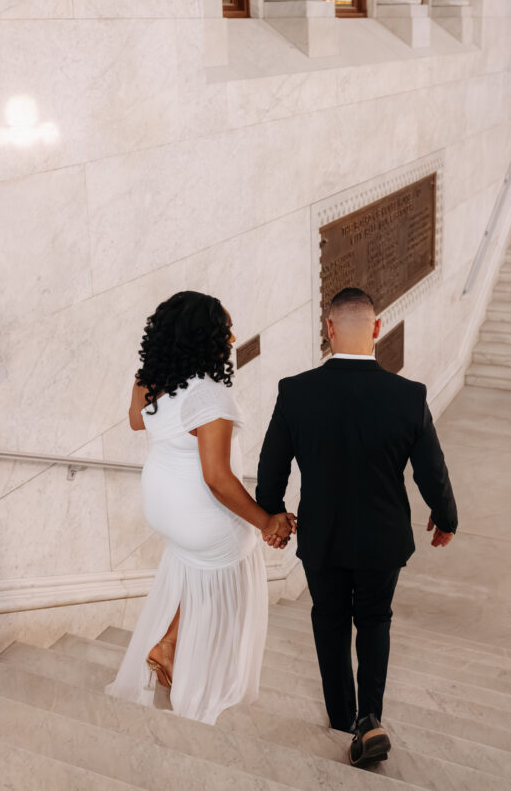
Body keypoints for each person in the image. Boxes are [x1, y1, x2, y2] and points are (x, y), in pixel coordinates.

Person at [255, 287, 457, 767]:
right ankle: (371, 718)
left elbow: (270, 470)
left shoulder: (295, 391)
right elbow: (433, 470)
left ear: (328, 329)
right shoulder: (408, 396)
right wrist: (445, 516)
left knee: (328, 619)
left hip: (322, 538)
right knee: (374, 619)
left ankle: (342, 718)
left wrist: (275, 514)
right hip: (382, 540)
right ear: (376, 327)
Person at [106, 291, 295, 724]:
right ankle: (198, 678)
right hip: (200, 514)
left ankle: (168, 644)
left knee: (193, 564)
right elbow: (217, 478)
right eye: (224, 329)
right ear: (204, 338)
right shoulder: (210, 397)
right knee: (236, 555)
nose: (231, 336)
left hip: (162, 507)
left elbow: (138, 420)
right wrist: (267, 521)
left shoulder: (149, 377)